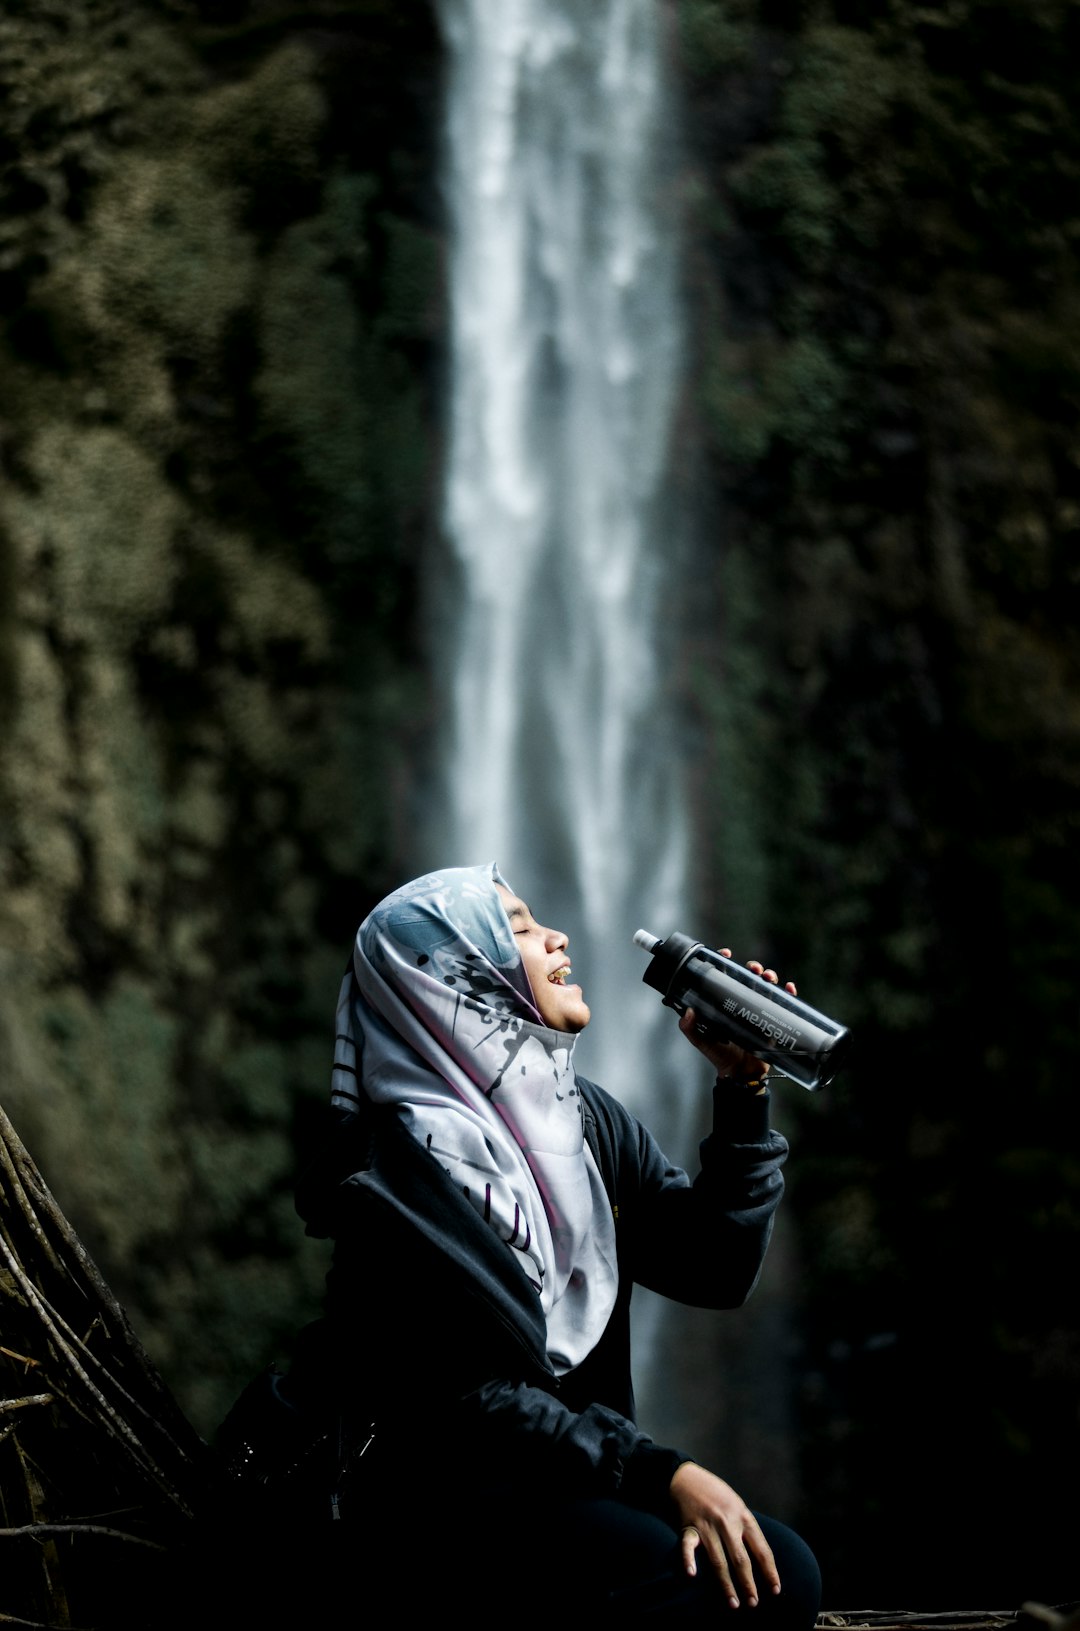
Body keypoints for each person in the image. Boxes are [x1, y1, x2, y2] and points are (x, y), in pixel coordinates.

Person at [290, 862, 821, 1623]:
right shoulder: (392, 1178)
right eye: (517, 927)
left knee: (775, 1573)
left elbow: (714, 1265)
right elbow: (466, 1400)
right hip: (435, 1514)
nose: (556, 935)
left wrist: (743, 1088)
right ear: (456, 972)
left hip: (559, 1482)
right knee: (773, 1581)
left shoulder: (584, 1125)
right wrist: (661, 1473)